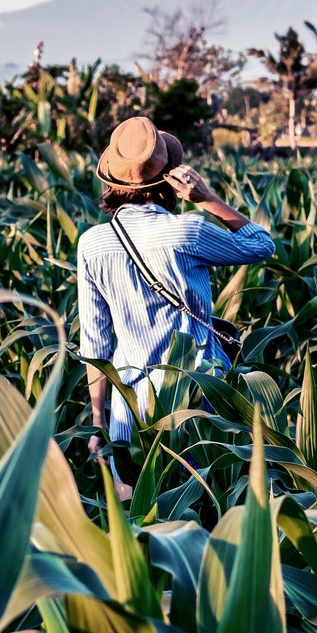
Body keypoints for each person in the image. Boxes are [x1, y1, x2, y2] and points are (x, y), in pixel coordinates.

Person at [77, 116, 275, 499]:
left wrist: (99, 421)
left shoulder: (92, 244)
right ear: (169, 178)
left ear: (113, 183)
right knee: (210, 507)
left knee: (139, 517)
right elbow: (261, 244)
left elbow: (95, 346)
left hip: (130, 407)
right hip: (199, 399)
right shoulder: (188, 231)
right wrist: (207, 199)